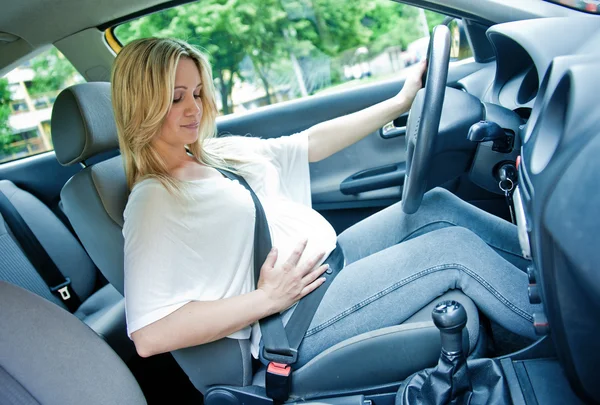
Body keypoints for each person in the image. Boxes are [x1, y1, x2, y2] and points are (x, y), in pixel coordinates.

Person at [113, 38, 540, 370]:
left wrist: (400, 103)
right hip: (295, 317)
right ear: (143, 104)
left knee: (435, 206)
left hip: (329, 266)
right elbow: (149, 334)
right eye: (176, 97)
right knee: (451, 251)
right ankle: (568, 331)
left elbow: (309, 144)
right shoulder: (154, 198)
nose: (194, 108)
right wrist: (266, 300)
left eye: (199, 93)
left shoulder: (214, 153)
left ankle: (550, 279)